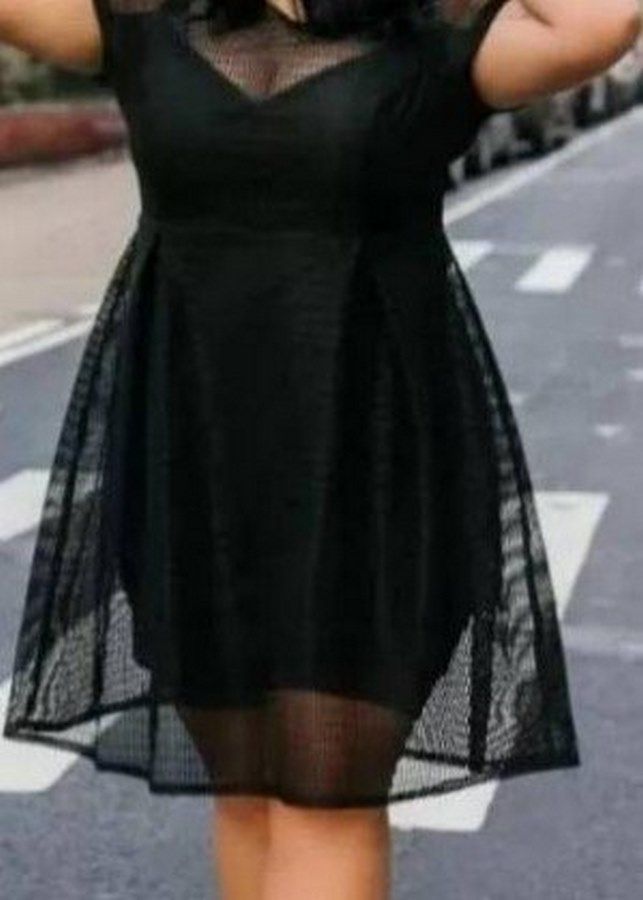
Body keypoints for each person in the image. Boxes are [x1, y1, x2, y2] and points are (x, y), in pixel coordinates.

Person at [1, 0, 639, 897]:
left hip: (367, 465)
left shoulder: (433, 32)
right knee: (246, 793)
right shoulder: (152, 18)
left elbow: (604, 20)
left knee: (324, 799)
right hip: (193, 460)